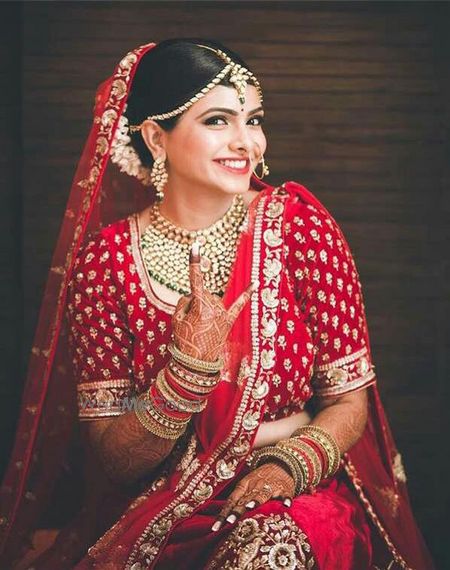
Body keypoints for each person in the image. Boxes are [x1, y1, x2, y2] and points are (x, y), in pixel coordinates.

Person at [0, 38, 434, 570]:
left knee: (270, 550)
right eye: (217, 121)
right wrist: (186, 375)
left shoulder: (301, 229)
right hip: (157, 500)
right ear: (157, 138)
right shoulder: (107, 261)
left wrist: (288, 468)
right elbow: (111, 456)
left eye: (253, 119)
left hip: (297, 493)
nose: (245, 142)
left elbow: (348, 402)